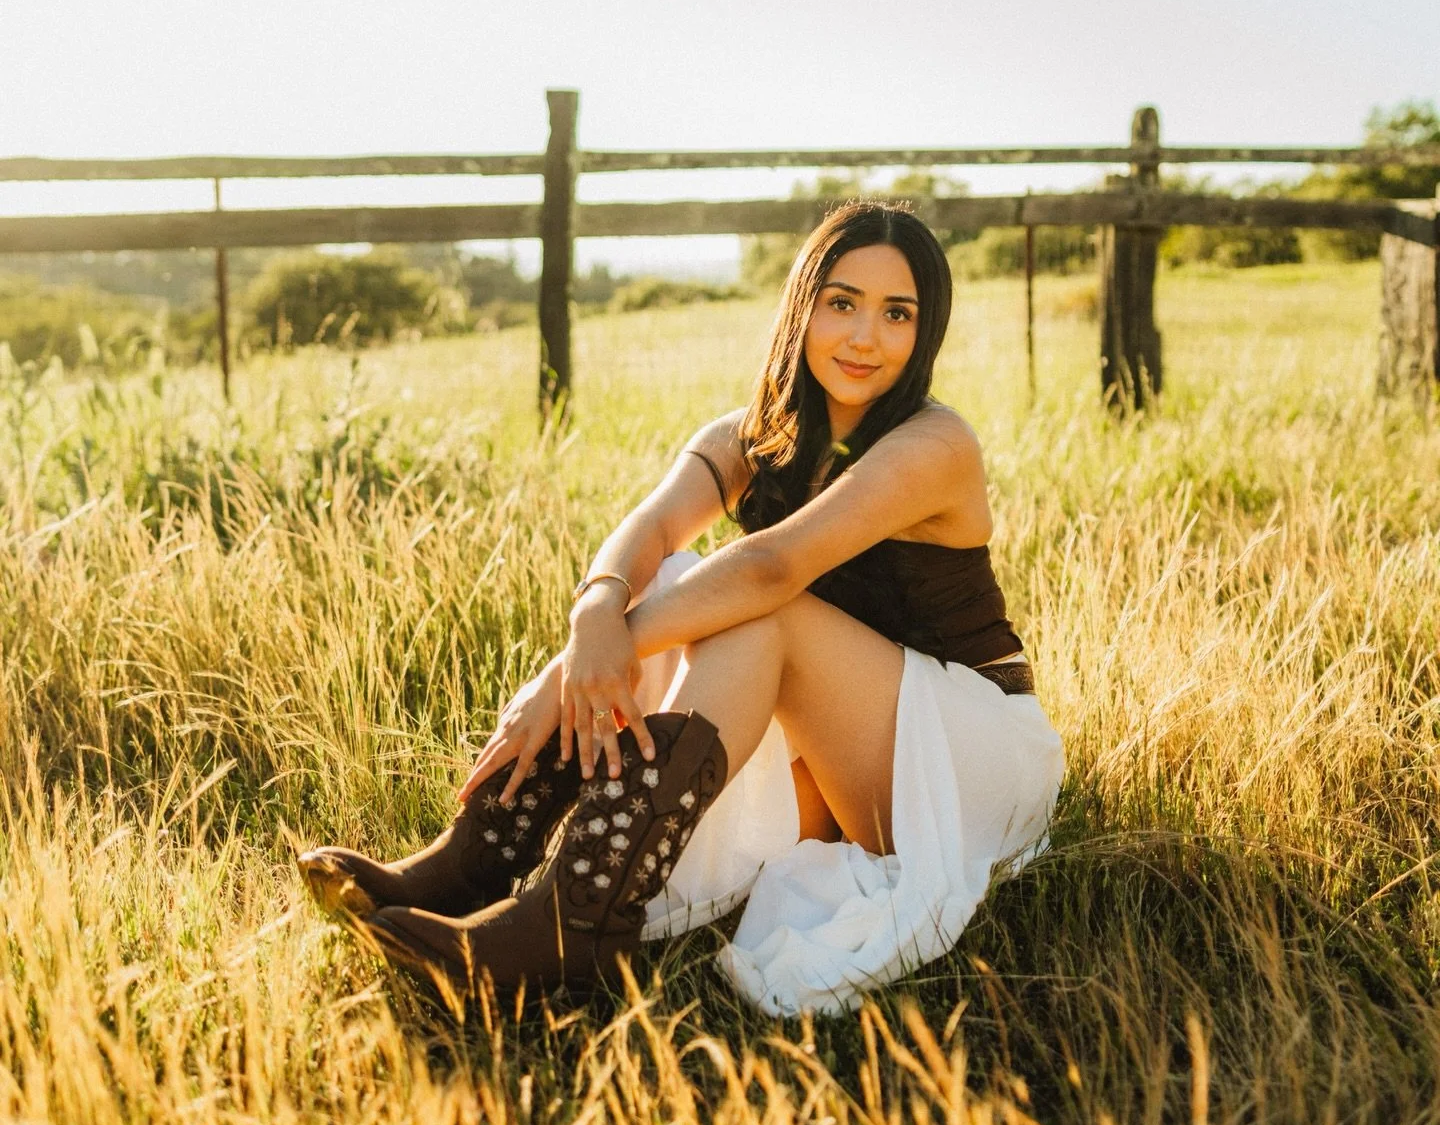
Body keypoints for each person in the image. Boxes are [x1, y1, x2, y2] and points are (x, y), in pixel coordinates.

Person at [301, 202, 1064, 1015]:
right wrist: (594, 612)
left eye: (897, 313)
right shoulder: (753, 434)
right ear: (801, 306)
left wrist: (579, 667)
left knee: (758, 607)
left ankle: (573, 921)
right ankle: (478, 860)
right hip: (843, 757)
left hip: (965, 763)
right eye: (841, 302)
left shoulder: (934, 443)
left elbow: (772, 566)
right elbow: (655, 526)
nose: (864, 337)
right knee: (672, 581)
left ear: (926, 331)